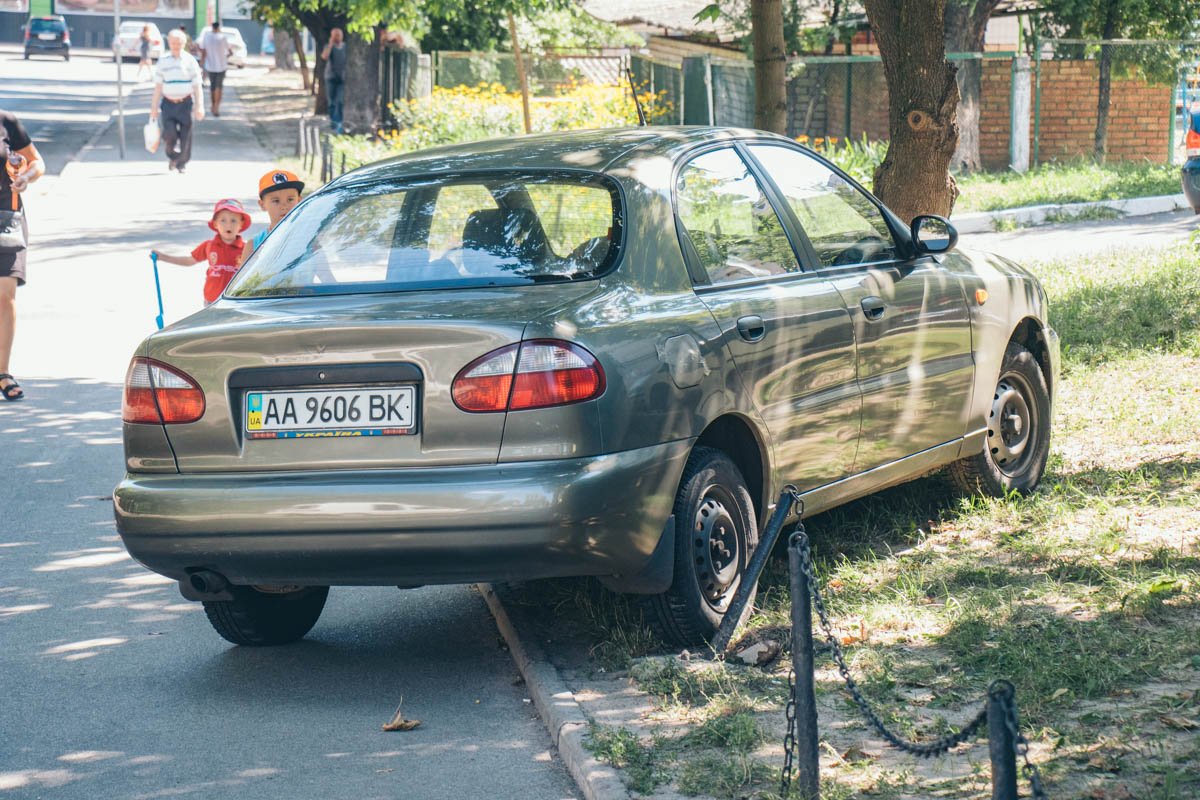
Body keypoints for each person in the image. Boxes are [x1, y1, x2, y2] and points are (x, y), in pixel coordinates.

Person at [0, 109, 45, 402]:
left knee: (5, 295)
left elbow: (37, 162)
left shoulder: (7, 122)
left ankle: (2, 371)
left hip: (6, 218)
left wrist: (26, 176)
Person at [152, 199, 251, 305]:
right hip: (211, 302)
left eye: (233, 220)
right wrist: (164, 257)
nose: (228, 225)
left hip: (236, 301)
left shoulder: (246, 249)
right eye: (223, 220)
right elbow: (189, 261)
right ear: (215, 224)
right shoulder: (209, 245)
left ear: (241, 224)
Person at [150, 29, 204, 174]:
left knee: (186, 135)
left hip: (185, 103)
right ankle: (172, 156)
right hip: (168, 103)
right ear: (169, 43)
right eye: (173, 42)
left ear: (184, 43)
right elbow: (158, 86)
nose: (176, 45)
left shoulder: (190, 61)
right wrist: (154, 107)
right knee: (169, 134)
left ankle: (182, 163)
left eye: (179, 42)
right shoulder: (163, 61)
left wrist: (200, 106)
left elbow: (197, 85)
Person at [247, 169, 304, 256]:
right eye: (276, 201)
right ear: (262, 205)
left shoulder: (309, 239)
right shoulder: (254, 245)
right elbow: (245, 270)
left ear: (299, 201)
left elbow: (322, 267)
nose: (284, 206)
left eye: (290, 199)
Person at [198, 21, 233, 117]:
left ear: (212, 27)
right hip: (222, 66)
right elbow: (230, 51)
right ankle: (217, 107)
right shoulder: (223, 37)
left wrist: (201, 62)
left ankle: (213, 105)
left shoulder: (207, 36)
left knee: (212, 87)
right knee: (219, 87)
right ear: (219, 27)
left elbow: (203, 51)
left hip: (210, 66)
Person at [322, 28, 346, 134]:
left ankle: (339, 123)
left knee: (340, 101)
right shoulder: (328, 47)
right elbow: (324, 57)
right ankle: (333, 122)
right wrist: (330, 45)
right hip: (330, 77)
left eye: (339, 35)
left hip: (342, 78)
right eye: (335, 35)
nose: (337, 37)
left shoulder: (346, 47)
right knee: (331, 102)